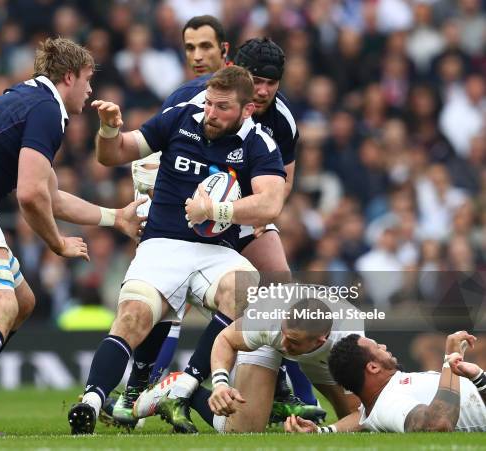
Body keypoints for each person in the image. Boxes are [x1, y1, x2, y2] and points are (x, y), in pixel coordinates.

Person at [0, 37, 144, 437]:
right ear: (68, 76)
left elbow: (49, 194)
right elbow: (31, 196)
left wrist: (114, 217)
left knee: (21, 302)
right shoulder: (47, 110)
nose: (90, 90)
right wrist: (58, 243)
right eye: (87, 80)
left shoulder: (31, 100)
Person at [67, 65, 287, 435]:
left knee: (249, 291)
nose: (210, 114)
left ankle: (184, 385)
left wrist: (217, 211)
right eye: (209, 104)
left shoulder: (259, 143)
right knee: (133, 316)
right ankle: (91, 401)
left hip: (216, 251)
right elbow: (113, 154)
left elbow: (270, 204)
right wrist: (108, 129)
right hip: (162, 244)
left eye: (222, 108)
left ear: (247, 110)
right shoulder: (181, 118)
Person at [124, 37, 320, 432]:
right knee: (166, 297)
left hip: (242, 211)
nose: (263, 90)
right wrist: (145, 210)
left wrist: (255, 218)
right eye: (256, 80)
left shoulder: (283, 121)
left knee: (279, 283)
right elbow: (153, 152)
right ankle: (138, 387)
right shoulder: (194, 99)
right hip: (184, 211)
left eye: (272, 82)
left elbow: (283, 184)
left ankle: (293, 394)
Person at [135, 291, 361, 432]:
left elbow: (363, 416)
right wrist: (221, 384)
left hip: (321, 354)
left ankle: (271, 401)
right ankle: (180, 387)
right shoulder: (268, 322)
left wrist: (324, 431)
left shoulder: (349, 339)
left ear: (322, 339)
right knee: (242, 429)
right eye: (284, 333)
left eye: (291, 340)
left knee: (354, 417)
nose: (283, 343)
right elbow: (224, 339)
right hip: (265, 339)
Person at [285, 331, 486, 433]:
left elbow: (362, 418)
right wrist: (451, 358)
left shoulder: (375, 404)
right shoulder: (387, 403)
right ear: (373, 367)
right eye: (376, 347)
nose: (383, 345)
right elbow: (436, 425)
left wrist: (322, 431)